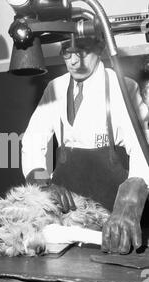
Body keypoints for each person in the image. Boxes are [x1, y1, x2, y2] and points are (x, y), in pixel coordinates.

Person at [22, 35, 149, 255]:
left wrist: (129, 202)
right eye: (66, 52)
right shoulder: (56, 88)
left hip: (110, 218)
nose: (73, 61)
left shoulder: (123, 87)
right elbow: (33, 140)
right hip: (66, 220)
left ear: (99, 48)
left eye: (81, 51)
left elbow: (143, 146)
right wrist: (43, 182)